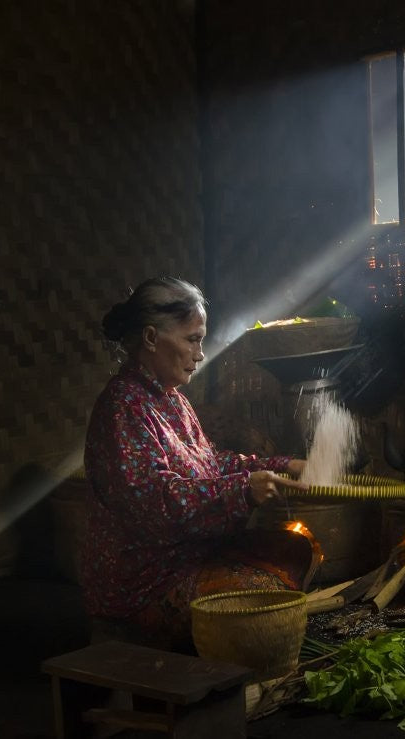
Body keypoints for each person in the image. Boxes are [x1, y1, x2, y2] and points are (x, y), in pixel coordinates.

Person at [81, 276, 308, 647]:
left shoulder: (170, 399)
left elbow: (211, 464)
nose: (200, 354)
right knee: (269, 591)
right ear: (152, 338)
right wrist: (243, 491)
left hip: (188, 557)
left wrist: (284, 465)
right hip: (146, 580)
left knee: (297, 550)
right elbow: (157, 501)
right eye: (192, 339)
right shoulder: (123, 408)